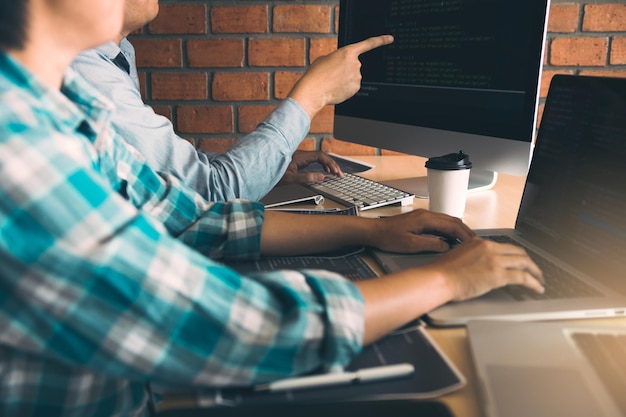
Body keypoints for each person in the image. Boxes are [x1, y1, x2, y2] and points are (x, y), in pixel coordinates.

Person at [0, 0, 545, 416]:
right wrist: (448, 281)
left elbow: (192, 218)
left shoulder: (63, 107)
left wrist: (371, 230)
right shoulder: (17, 148)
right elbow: (227, 329)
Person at [70, 0, 352, 202]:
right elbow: (210, 193)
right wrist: (313, 95)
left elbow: (163, 172)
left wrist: (270, 167)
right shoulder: (86, 70)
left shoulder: (118, 55)